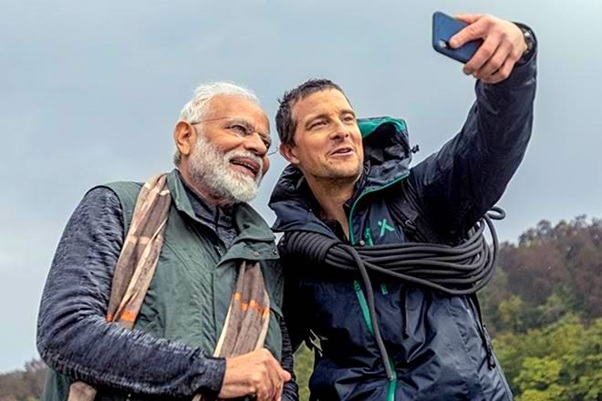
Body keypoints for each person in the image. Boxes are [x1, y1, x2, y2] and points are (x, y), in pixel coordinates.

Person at [269, 14, 537, 401]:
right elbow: (273, 350)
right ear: (290, 152)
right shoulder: (294, 252)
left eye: (347, 118)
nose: (343, 130)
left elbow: (492, 147)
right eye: (320, 124)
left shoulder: (422, 196)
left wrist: (515, 65)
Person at [37, 82, 298, 401]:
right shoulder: (118, 207)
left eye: (265, 142)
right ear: (186, 137)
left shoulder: (265, 256)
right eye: (239, 128)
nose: (257, 146)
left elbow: (280, 376)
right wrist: (213, 374)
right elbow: (66, 332)